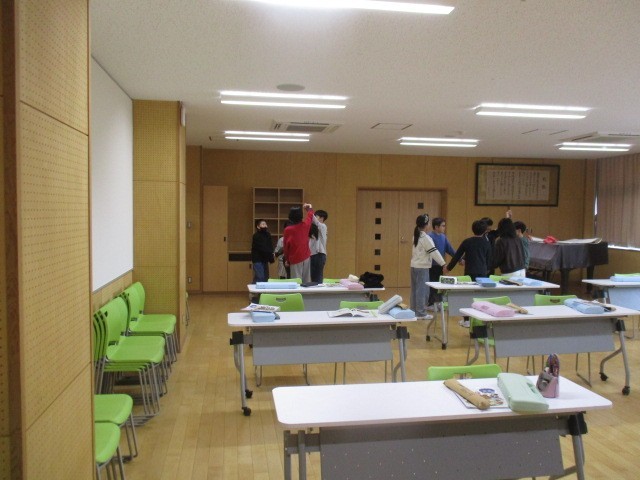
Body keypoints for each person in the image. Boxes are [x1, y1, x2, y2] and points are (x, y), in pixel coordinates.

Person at [446, 219, 492, 327]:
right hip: (482, 274)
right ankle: (480, 319)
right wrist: (487, 270)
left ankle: (466, 320)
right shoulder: (486, 243)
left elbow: (457, 256)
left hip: (469, 273)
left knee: (467, 296)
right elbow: (489, 260)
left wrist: (448, 268)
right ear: (484, 231)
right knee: (480, 297)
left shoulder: (467, 242)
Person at [410, 213, 447, 321]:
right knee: (422, 290)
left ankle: (413, 311)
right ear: (426, 225)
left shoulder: (416, 235)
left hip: (414, 266)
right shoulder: (426, 238)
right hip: (422, 267)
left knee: (415, 290)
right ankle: (421, 313)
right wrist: (443, 263)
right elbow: (434, 252)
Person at [427, 217, 457, 309]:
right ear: (436, 227)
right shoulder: (429, 237)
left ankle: (438, 302)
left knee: (439, 284)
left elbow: (450, 249)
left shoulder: (443, 237)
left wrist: (459, 259)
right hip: (431, 265)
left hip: (440, 265)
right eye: (443, 226)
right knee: (432, 284)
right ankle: (431, 303)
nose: (444, 227)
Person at [283, 203, 314, 282]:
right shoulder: (305, 225)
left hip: (295, 258)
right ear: (301, 216)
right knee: (307, 281)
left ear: (290, 217)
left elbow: (286, 246)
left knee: (296, 282)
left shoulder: (288, 230)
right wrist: (309, 208)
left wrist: (287, 259)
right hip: (306, 256)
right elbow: (310, 216)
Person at [251, 219, 274, 283]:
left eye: (265, 224)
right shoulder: (256, 236)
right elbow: (262, 247)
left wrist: (271, 257)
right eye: (263, 224)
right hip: (257, 259)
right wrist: (270, 255)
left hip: (265, 259)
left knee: (265, 277)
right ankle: (256, 289)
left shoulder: (268, 235)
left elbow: (270, 246)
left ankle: (253, 287)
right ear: (258, 227)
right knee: (260, 277)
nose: (265, 226)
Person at [310, 209, 328, 283]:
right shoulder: (314, 229)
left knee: (318, 277)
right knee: (313, 278)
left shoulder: (323, 226)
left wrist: (309, 210)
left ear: (322, 218)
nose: (314, 218)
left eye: (316, 216)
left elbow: (316, 222)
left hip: (319, 255)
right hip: (312, 255)